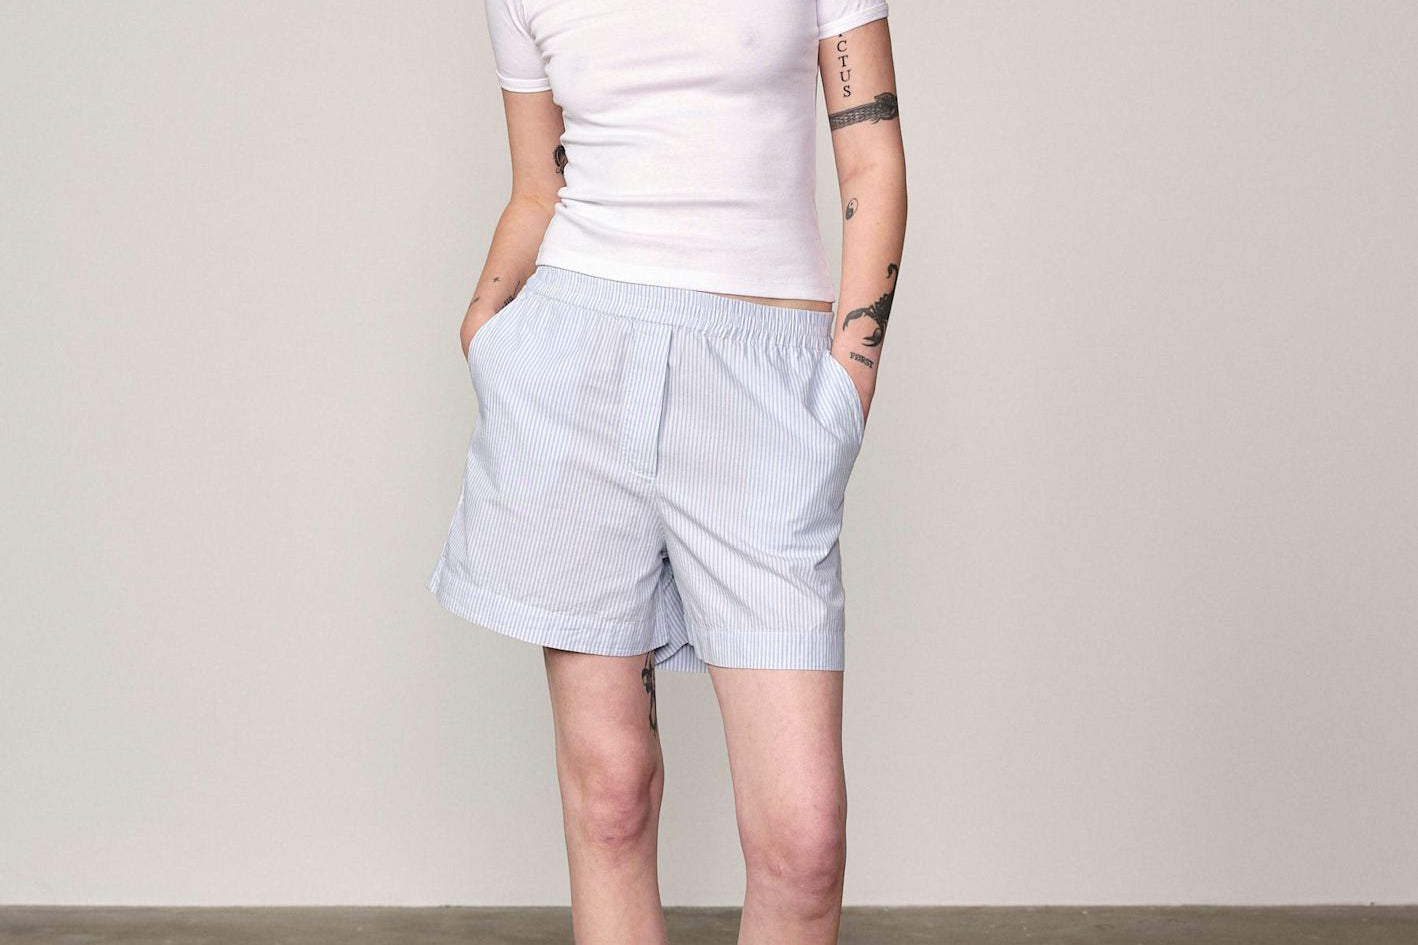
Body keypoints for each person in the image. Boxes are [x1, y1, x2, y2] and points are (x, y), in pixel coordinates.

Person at [427, 1, 906, 941]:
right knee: (611, 797)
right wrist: (485, 327)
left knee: (804, 843)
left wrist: (848, 381)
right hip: (575, 374)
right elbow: (538, 188)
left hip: (763, 384)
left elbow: (872, 161)